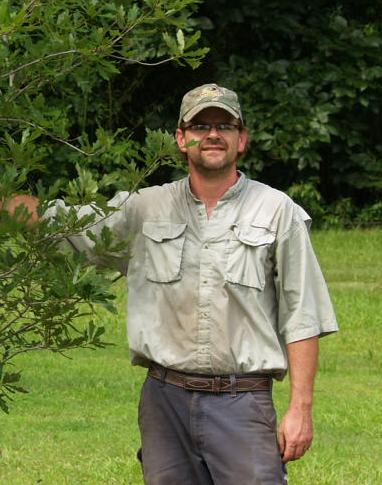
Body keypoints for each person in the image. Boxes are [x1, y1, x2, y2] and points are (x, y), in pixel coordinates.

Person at [7, 84, 338, 484]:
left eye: (225, 125)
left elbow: (303, 317)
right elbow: (70, 227)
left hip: (243, 403)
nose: (213, 134)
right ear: (181, 139)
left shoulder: (277, 211)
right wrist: (10, 205)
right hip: (165, 402)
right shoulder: (145, 208)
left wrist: (300, 409)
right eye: (200, 125)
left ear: (242, 139)